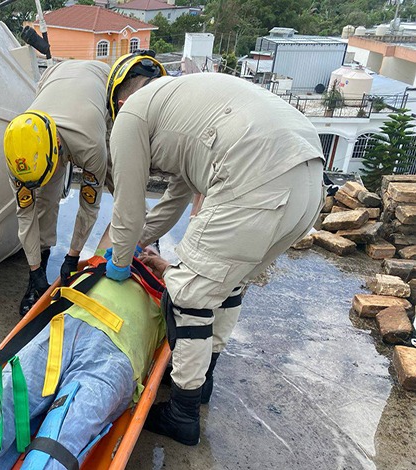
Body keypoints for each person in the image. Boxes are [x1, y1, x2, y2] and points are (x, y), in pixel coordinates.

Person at [105, 59, 325, 446]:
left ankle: (183, 414)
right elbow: (172, 202)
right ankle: (201, 383)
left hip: (256, 174)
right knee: (227, 283)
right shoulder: (183, 101)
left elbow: (128, 207)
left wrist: (117, 264)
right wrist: (140, 244)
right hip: (308, 182)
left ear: (118, 104)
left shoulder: (131, 116)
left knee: (185, 295)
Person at [0, 247, 167, 470]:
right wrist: (131, 244)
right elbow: (120, 227)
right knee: (0, 411)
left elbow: (195, 303)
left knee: (60, 442)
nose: (146, 254)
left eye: (153, 251)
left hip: (114, 356)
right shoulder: (103, 262)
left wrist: (167, 271)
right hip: (59, 331)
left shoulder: (170, 290)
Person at [3, 59, 112, 316]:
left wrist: (73, 256)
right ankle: (39, 266)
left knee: (118, 179)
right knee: (43, 199)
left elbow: (89, 206)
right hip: (55, 75)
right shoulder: (18, 152)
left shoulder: (91, 146)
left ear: (58, 151)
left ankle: (142, 231)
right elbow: (26, 215)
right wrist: (34, 270)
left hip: (102, 85)